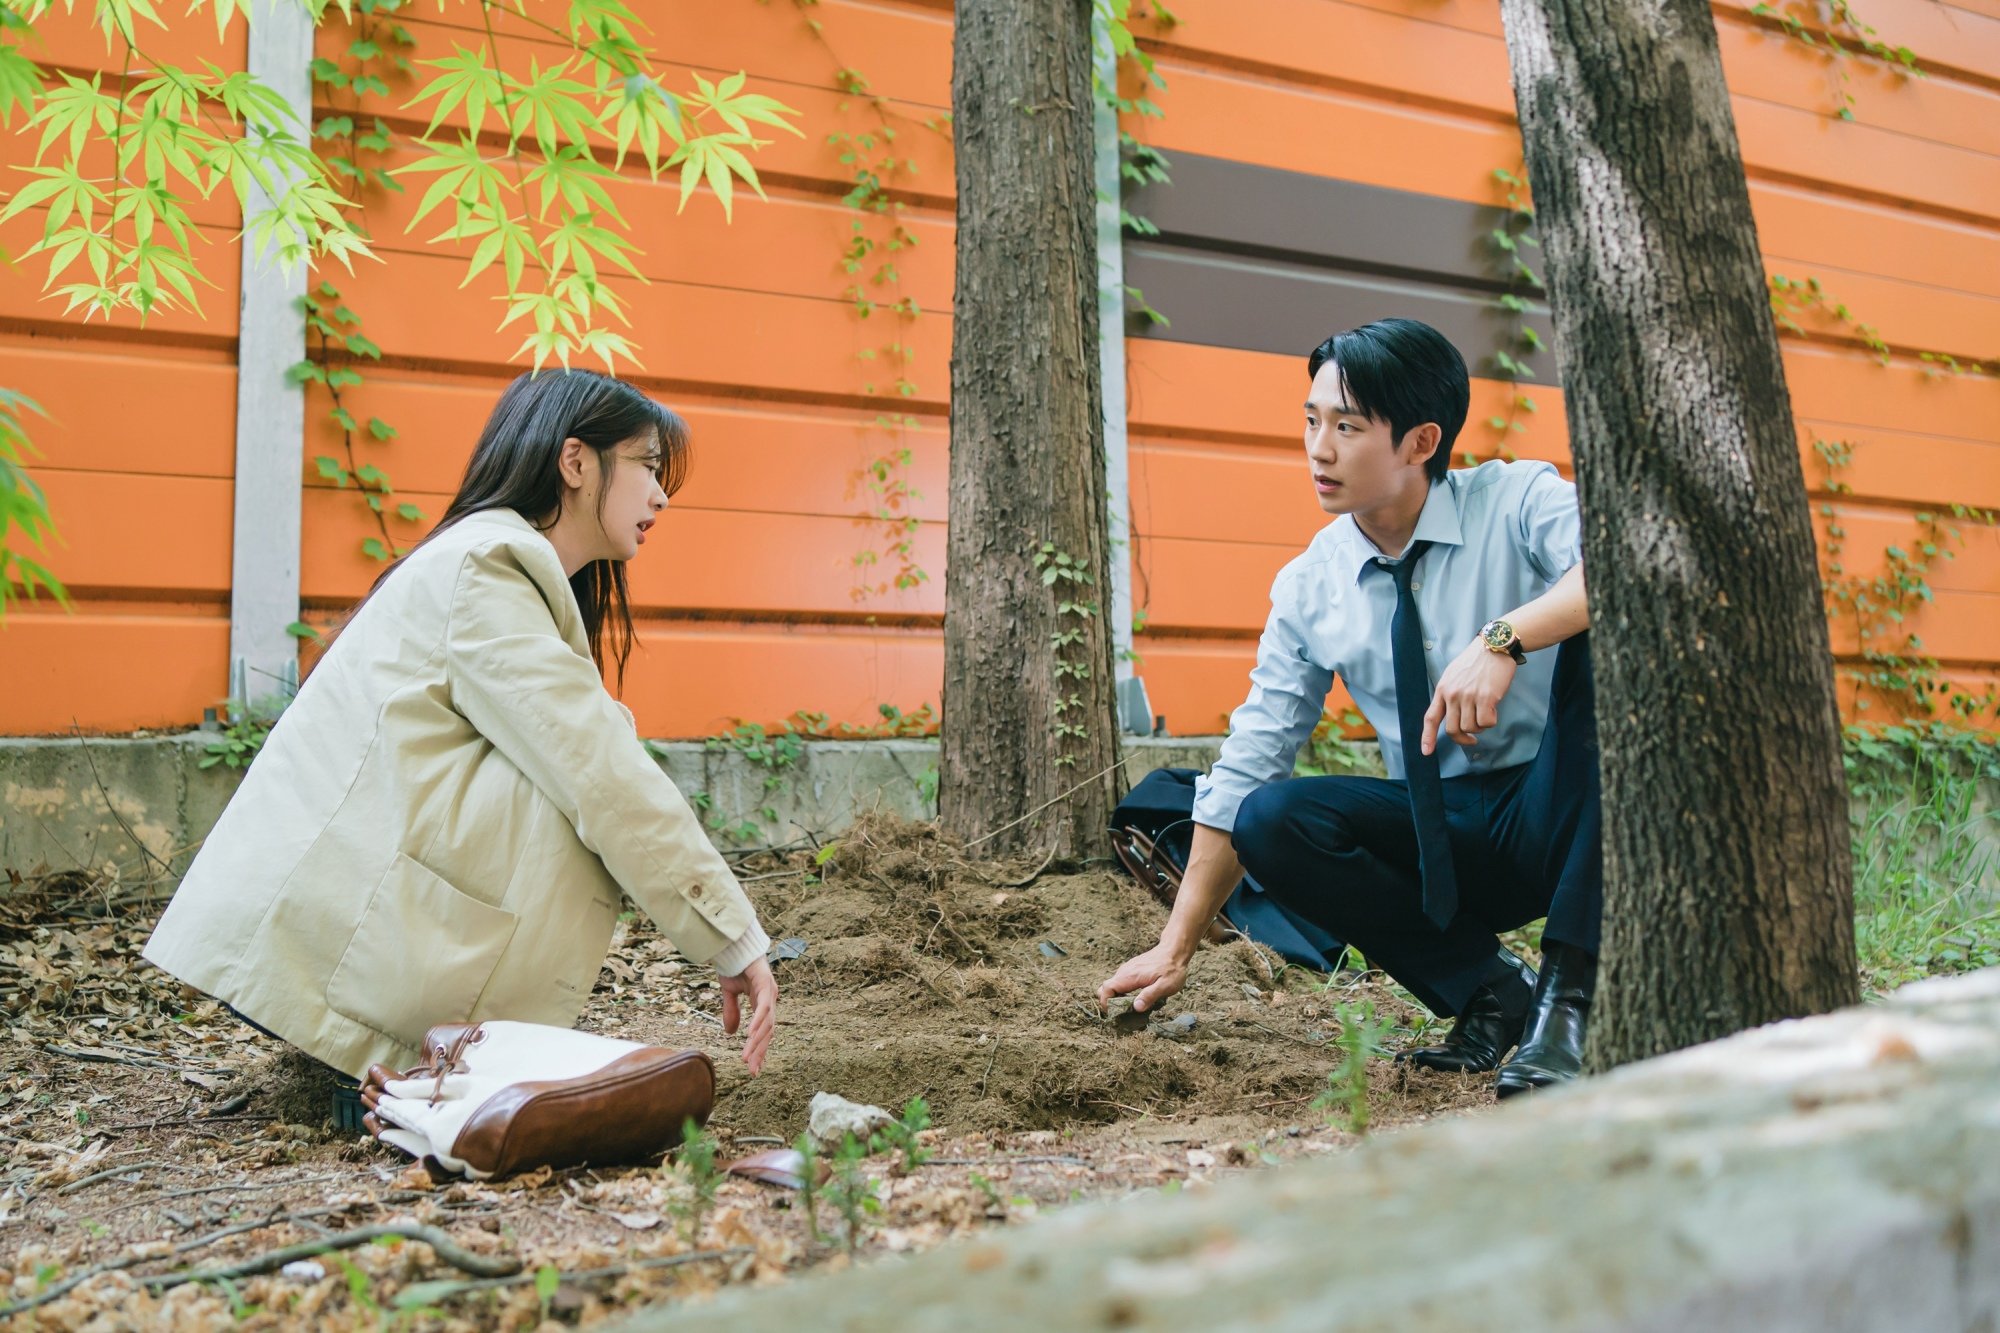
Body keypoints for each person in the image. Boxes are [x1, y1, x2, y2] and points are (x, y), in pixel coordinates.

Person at [144, 370, 778, 1087]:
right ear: (575, 463)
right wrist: (732, 937)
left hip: (337, 912)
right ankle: (441, 1054)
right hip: (322, 925)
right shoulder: (489, 565)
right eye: (649, 466)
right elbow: (596, 767)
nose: (662, 495)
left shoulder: (487, 558)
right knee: (581, 776)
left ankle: (431, 1049)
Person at [1097, 318, 1600, 1096]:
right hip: (1443, 838)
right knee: (1270, 817)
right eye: (1311, 420)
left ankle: (1568, 1007)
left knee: (1599, 654)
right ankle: (1493, 994)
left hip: (1560, 809)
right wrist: (1175, 946)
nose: (1318, 448)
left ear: (1421, 441)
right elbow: (1251, 758)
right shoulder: (1313, 581)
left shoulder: (1515, 500)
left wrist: (1503, 639)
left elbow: (1615, 567)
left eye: (1347, 426)